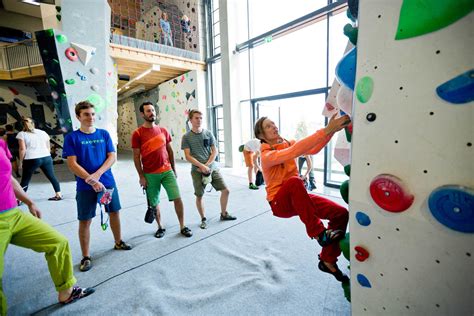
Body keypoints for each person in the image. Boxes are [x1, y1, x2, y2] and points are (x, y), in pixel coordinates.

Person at [0, 139, 94, 313]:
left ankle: (66, 292)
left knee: (58, 242)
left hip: (13, 213)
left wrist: (29, 202)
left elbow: (8, 177)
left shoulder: (0, 143)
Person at [254, 114, 350, 283]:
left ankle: (328, 260)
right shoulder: (266, 156)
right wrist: (327, 129)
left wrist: (332, 131)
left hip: (298, 195)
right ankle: (319, 233)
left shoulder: (288, 143)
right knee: (294, 181)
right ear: (261, 135)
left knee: (341, 213)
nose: (274, 127)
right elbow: (293, 152)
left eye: (274, 124)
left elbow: (312, 150)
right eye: (268, 126)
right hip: (279, 203)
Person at [63, 101, 131, 272]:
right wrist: (91, 180)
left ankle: (118, 241)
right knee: (85, 220)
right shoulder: (72, 137)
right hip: (85, 187)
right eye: (86, 114)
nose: (91, 117)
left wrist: (98, 175)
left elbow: (112, 157)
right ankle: (86, 256)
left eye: (93, 114)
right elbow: (72, 164)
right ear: (78, 116)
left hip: (107, 182)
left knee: (114, 212)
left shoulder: (104, 134)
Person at [132, 102, 192, 238]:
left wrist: (174, 169)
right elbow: (136, 157)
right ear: (142, 114)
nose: (151, 113)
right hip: (150, 174)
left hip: (167, 171)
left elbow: (170, 151)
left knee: (178, 198)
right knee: (154, 203)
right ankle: (160, 227)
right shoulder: (137, 134)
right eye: (148, 111)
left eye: (152, 110)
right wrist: (141, 176)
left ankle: (182, 226)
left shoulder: (163, 130)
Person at [181, 109, 236, 229]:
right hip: (197, 171)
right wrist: (201, 167)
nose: (199, 120)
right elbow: (187, 156)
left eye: (201, 118)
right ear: (190, 120)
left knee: (226, 190)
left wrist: (207, 165)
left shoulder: (208, 133)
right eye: (196, 118)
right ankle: (203, 219)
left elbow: (214, 151)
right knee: (199, 196)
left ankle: (224, 213)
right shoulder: (186, 137)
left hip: (212, 168)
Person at [16, 118, 62, 201]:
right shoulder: (43, 132)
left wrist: (21, 162)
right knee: (52, 177)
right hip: (46, 157)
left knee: (25, 180)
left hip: (31, 158)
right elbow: (48, 146)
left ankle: (19, 200)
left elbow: (22, 149)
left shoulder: (21, 134)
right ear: (33, 123)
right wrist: (46, 155)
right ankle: (58, 195)